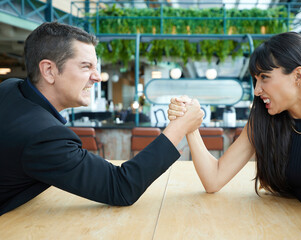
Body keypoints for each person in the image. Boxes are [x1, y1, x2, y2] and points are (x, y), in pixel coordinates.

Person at [168, 32, 301, 240]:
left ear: (298, 76)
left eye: (265, 77)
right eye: (255, 79)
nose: (257, 90)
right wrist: (190, 125)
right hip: (283, 230)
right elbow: (214, 179)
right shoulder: (265, 120)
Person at [0, 22, 204, 215]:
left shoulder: (9, 88)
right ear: (49, 70)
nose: (97, 77)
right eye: (86, 66)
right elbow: (121, 187)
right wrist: (180, 127)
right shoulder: (44, 137)